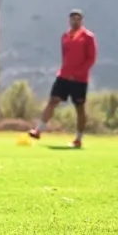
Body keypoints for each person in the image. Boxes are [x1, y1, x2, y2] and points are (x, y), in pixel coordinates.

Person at [29, 9, 97, 148]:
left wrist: (78, 72)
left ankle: (78, 139)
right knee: (53, 101)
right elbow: (65, 55)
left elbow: (91, 58)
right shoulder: (65, 36)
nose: (75, 21)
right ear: (69, 20)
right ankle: (38, 130)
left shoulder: (88, 37)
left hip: (79, 79)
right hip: (64, 76)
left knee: (79, 107)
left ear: (81, 21)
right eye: (73, 19)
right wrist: (64, 70)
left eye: (78, 19)